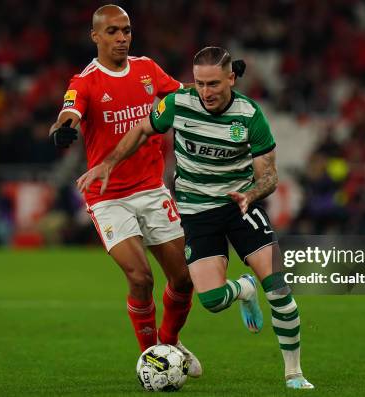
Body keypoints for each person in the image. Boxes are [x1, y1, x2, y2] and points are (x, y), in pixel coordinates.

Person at [77, 46, 314, 389]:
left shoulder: (250, 115)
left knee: (278, 287)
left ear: (231, 78)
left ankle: (294, 373)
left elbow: (270, 175)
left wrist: (251, 193)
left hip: (240, 208)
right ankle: (243, 289)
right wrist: (110, 162)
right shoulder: (178, 103)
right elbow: (143, 129)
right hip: (197, 214)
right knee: (212, 301)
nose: (206, 92)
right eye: (200, 83)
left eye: (214, 84)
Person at [49, 4, 201, 377]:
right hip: (108, 195)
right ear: (96, 36)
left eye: (127, 31)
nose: (121, 38)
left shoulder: (147, 69)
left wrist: (218, 84)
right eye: (113, 31)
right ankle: (152, 358)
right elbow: (68, 113)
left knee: (183, 279)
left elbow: (184, 94)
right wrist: (65, 128)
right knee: (140, 277)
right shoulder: (84, 81)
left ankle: (169, 342)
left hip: (151, 188)